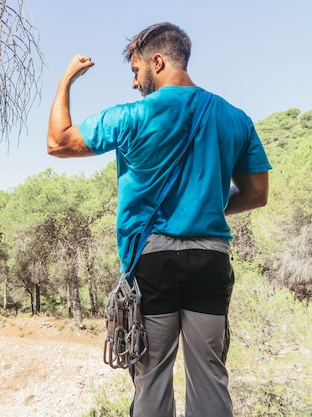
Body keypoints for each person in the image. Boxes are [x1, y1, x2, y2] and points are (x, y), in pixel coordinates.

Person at [46, 22, 271, 417]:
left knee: (151, 379)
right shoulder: (235, 118)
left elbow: (57, 142)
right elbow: (256, 194)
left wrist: (67, 79)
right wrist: (204, 207)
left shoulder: (132, 116)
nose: (134, 83)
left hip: (152, 263)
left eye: (135, 71)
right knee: (210, 378)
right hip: (210, 260)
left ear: (158, 61)